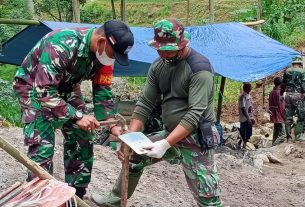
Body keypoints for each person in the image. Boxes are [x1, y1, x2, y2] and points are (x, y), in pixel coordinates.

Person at [91, 18, 223, 207]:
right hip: (169, 132)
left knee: (207, 196)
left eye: (166, 49)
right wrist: (131, 138)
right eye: (159, 48)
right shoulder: (159, 65)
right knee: (135, 156)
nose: (161, 52)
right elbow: (145, 102)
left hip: (196, 137)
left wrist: (166, 144)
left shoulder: (199, 68)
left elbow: (195, 114)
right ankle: (114, 200)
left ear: (181, 45)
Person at [13, 19, 134, 199]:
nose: (113, 59)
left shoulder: (106, 56)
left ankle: (75, 195)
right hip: (34, 88)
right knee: (42, 146)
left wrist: (113, 127)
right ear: (102, 42)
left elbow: (102, 89)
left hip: (67, 87)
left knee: (82, 137)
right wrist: (77, 116)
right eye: (113, 53)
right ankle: (39, 197)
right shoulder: (62, 45)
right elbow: (43, 90)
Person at [281, 60, 305, 142]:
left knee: (288, 116)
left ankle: (288, 138)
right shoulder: (302, 71)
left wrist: (281, 94)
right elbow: (303, 84)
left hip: (288, 95)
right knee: (301, 116)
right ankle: (297, 136)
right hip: (299, 96)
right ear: (300, 64)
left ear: (293, 64)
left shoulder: (287, 71)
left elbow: (283, 84)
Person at [269, 77, 286, 145]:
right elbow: (281, 107)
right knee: (283, 135)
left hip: (274, 116)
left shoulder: (271, 92)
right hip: (279, 116)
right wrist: (284, 116)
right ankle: (274, 145)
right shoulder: (279, 93)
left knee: (276, 132)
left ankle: (273, 143)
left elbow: (270, 105)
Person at [238, 83, 254, 148]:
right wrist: (248, 118)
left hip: (248, 117)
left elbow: (249, 107)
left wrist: (251, 117)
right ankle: (243, 146)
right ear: (245, 88)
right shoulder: (243, 96)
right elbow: (243, 108)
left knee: (248, 133)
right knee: (244, 133)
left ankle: (242, 144)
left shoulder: (248, 95)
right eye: (249, 87)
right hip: (244, 118)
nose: (251, 88)